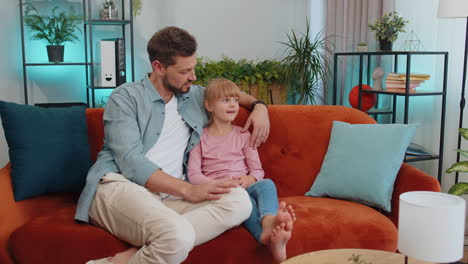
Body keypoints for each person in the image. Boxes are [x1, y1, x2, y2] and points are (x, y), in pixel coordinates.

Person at [76, 26, 270, 264]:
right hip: (120, 186)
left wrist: (260, 106)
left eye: (194, 68)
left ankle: (131, 256)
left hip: (169, 197)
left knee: (239, 202)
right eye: (185, 71)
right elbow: (130, 163)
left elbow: (234, 95)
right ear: (159, 67)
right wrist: (188, 190)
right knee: (177, 236)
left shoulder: (194, 95)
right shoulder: (125, 97)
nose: (194, 76)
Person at [187, 78, 296, 263]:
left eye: (235, 100)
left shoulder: (243, 134)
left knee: (266, 184)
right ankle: (269, 240)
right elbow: (193, 175)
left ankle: (268, 221)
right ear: (209, 105)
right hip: (223, 191)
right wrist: (217, 184)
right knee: (244, 204)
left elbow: (258, 170)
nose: (233, 105)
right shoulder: (199, 138)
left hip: (244, 185)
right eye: (225, 100)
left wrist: (250, 179)